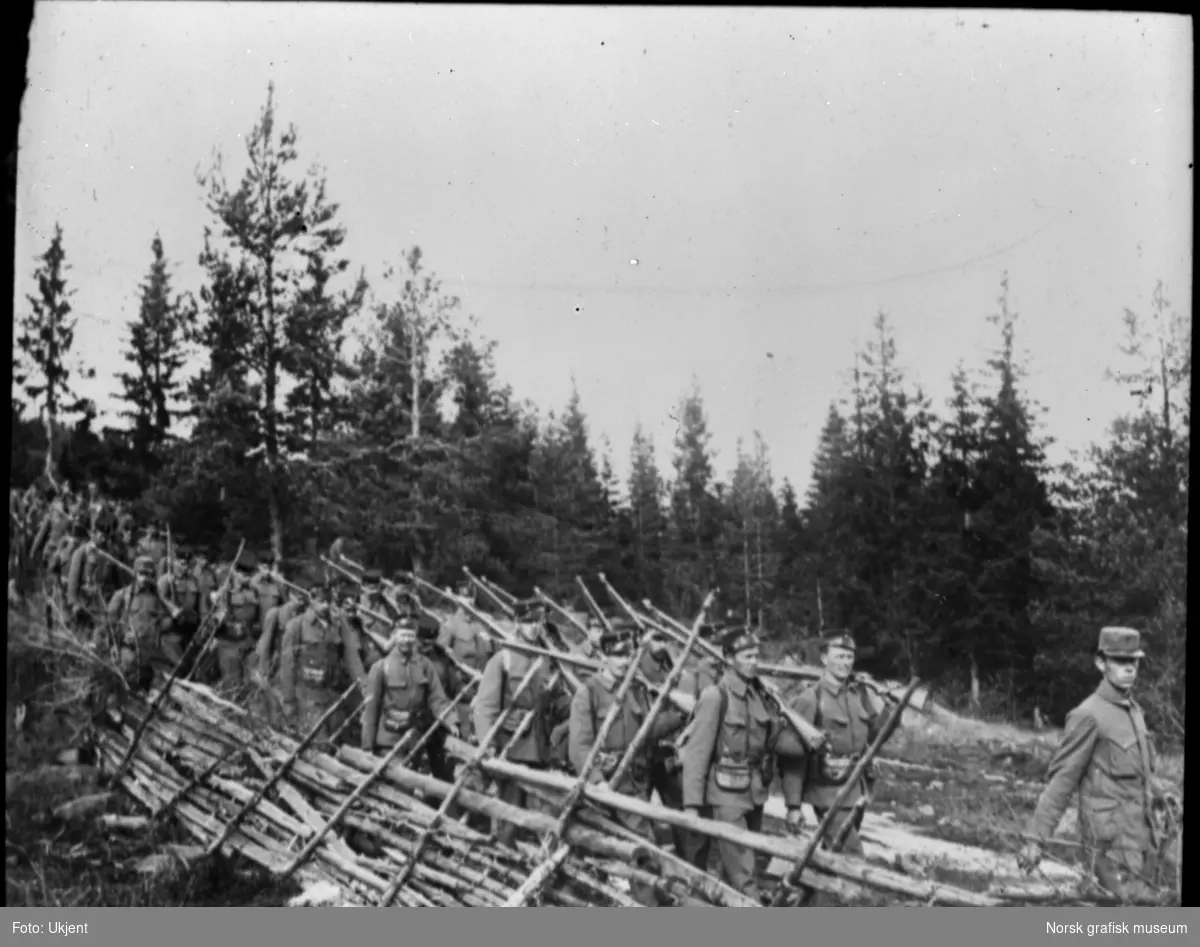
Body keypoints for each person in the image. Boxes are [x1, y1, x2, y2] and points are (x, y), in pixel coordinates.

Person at [1019, 627, 1180, 903]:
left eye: (1133, 661)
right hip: (1108, 851)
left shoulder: (1135, 714)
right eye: (1120, 661)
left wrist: (1162, 797)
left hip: (1141, 844)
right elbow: (1062, 783)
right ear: (1101, 663)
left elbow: (1138, 778)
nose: (1129, 668)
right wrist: (1036, 840)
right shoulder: (1088, 715)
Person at [679, 627, 809, 903]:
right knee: (743, 870)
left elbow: (776, 741)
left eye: (756, 655)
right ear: (728, 658)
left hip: (755, 792)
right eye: (747, 656)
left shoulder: (760, 697)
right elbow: (697, 754)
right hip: (725, 794)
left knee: (733, 870)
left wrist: (800, 726)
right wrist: (691, 806)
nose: (754, 661)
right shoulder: (716, 696)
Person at [568, 624, 686, 905]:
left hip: (635, 783)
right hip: (605, 785)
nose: (624, 661)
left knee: (636, 848)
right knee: (621, 847)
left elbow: (649, 729)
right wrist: (597, 782)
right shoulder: (589, 691)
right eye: (618, 656)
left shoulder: (636, 688)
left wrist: (681, 716)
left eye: (628, 656)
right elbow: (579, 746)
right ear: (605, 656)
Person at [778, 632, 882, 904]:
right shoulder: (810, 699)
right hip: (826, 791)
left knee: (832, 854)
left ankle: (814, 903)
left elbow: (876, 734)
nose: (845, 662)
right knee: (852, 856)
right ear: (824, 658)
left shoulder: (859, 694)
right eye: (839, 656)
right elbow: (793, 757)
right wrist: (792, 806)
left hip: (854, 790)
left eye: (849, 657)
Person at [473, 602, 570, 848]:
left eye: (538, 622)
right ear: (517, 623)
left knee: (544, 807)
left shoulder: (548, 657)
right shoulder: (503, 658)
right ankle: (503, 857)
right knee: (509, 807)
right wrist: (488, 745)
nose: (535, 628)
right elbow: (485, 707)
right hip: (512, 743)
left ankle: (542, 860)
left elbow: (558, 701)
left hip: (541, 742)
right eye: (529, 622)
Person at [361, 624, 459, 789]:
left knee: (407, 786)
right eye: (403, 635)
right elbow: (371, 709)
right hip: (388, 740)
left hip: (413, 738)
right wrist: (367, 746)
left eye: (410, 636)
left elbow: (437, 698)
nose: (407, 640)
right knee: (388, 786)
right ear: (394, 636)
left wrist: (450, 720)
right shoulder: (381, 666)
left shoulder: (424, 665)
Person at [279, 582, 367, 739]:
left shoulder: (338, 625)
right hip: (306, 697)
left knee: (336, 742)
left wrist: (365, 690)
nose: (325, 605)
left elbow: (353, 660)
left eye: (327, 601)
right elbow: (287, 667)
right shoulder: (296, 626)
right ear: (311, 600)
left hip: (331, 696)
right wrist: (288, 703)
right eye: (320, 601)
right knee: (316, 744)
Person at [103, 555, 182, 690]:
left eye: (148, 574)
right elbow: (109, 624)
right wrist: (112, 646)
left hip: (151, 655)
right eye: (141, 574)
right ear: (135, 573)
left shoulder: (157, 598)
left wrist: (172, 619)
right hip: (129, 653)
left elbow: (164, 624)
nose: (145, 578)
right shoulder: (123, 595)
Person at [436, 580, 496, 741]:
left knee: (482, 733)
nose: (468, 601)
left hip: (483, 688)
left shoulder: (484, 623)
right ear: (457, 598)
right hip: (462, 689)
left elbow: (494, 654)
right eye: (464, 597)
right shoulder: (450, 625)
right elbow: (440, 656)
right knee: (463, 735)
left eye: (471, 597)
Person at [210, 550, 262, 698]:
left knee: (252, 684)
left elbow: (257, 616)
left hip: (248, 643)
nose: (245, 577)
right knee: (232, 684)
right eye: (242, 573)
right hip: (229, 644)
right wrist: (227, 622)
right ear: (234, 571)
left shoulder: (254, 591)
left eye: (249, 573)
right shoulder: (226, 592)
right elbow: (217, 619)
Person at [157, 545, 203, 667]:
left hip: (190, 628)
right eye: (182, 563)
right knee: (176, 665)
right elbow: (159, 599)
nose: (185, 567)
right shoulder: (166, 580)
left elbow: (199, 605)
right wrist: (172, 609)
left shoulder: (194, 580)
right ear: (174, 562)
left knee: (191, 663)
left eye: (188, 564)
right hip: (172, 629)